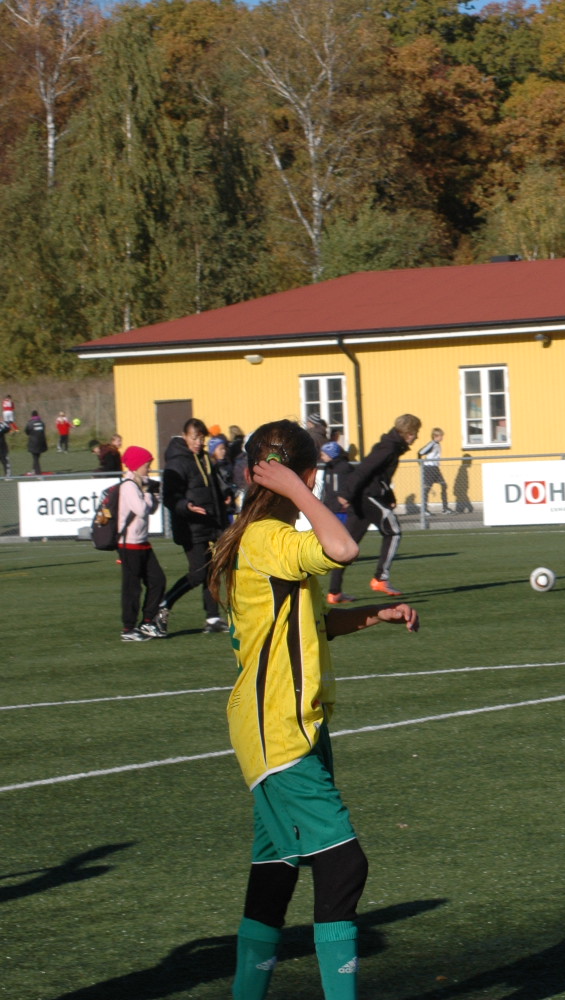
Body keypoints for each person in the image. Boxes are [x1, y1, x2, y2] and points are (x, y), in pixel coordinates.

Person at [206, 419, 418, 1000]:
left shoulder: (261, 538)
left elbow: (311, 623)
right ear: (303, 475)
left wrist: (374, 614)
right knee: (344, 865)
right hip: (277, 727)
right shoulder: (266, 538)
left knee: (276, 870)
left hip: (292, 723)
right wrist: (302, 491)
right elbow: (343, 547)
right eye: (310, 477)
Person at [328, 414, 420, 602]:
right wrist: (346, 494)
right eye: (416, 432)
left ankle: (334, 593)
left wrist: (390, 497)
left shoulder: (391, 446)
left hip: (364, 497)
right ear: (409, 433)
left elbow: (379, 477)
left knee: (348, 547)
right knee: (393, 531)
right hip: (367, 497)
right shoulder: (388, 448)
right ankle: (380, 579)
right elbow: (364, 470)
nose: (417, 437)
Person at [160, 418, 231, 634]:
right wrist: (186, 506)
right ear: (184, 436)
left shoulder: (205, 459)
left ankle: (213, 618)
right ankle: (164, 603)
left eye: (201, 438)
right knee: (198, 573)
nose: (198, 442)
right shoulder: (177, 462)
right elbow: (169, 497)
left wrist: (225, 497)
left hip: (210, 524)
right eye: (194, 438)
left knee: (212, 571)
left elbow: (214, 490)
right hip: (190, 527)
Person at [117, 446, 168, 642]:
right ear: (137, 465)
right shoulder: (129, 486)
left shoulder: (140, 484)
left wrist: (155, 495)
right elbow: (140, 509)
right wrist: (147, 493)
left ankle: (147, 621)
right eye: (147, 464)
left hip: (142, 542)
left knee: (158, 580)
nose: (149, 468)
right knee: (132, 588)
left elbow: (151, 509)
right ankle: (128, 628)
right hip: (129, 544)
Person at [417, 427, 449, 514]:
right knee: (427, 489)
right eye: (441, 436)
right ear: (435, 436)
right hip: (429, 468)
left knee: (444, 485)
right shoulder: (432, 444)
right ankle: (424, 510)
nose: (442, 437)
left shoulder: (438, 444)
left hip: (436, 468)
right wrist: (421, 464)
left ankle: (445, 508)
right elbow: (420, 452)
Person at [24, 410, 46, 475]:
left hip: (34, 442)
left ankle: (38, 473)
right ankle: (34, 470)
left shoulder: (30, 423)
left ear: (32, 416)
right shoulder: (41, 422)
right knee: (37, 457)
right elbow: (43, 430)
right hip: (41, 442)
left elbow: (26, 431)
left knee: (35, 458)